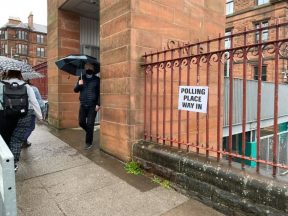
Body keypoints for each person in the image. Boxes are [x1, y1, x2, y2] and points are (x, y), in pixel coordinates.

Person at [0, 70, 43, 171]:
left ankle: (4, 161)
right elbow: (34, 102)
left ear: (8, 73)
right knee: (17, 140)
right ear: (20, 74)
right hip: (23, 116)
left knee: (5, 139)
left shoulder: (1, 85)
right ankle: (12, 164)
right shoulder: (26, 86)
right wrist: (40, 117)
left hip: (5, 116)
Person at [74, 63, 100, 150]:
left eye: (90, 67)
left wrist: (98, 104)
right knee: (81, 122)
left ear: (93, 68)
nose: (88, 68)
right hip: (83, 104)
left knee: (90, 123)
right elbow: (75, 90)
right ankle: (90, 131)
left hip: (92, 105)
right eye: (86, 67)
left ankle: (88, 142)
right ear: (84, 68)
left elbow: (100, 93)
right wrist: (79, 85)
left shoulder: (97, 79)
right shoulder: (81, 78)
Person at [22, 79, 46, 148]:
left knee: (23, 127)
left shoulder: (17, 87)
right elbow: (38, 100)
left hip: (20, 110)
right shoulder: (33, 88)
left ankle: (25, 141)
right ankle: (22, 141)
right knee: (31, 127)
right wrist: (42, 111)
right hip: (31, 110)